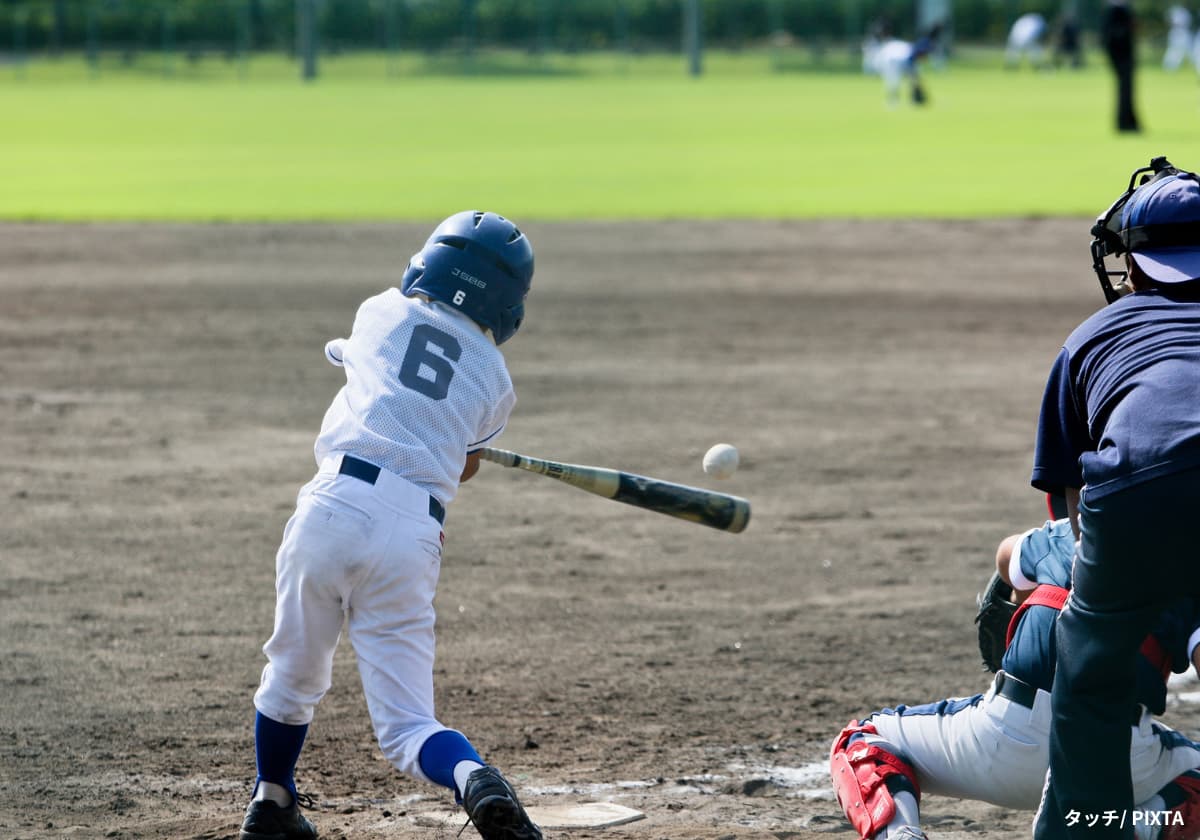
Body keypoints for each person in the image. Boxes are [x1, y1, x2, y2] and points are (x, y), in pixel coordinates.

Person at [238, 211, 544, 840]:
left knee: (292, 674)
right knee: (408, 726)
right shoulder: (496, 378)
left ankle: (271, 803)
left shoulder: (379, 311)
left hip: (332, 507)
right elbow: (464, 468)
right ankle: (472, 778)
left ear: (428, 263)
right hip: (412, 533)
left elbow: (382, 385)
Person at [829, 519, 1200, 840]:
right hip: (1118, 762)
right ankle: (1138, 827)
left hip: (1006, 736)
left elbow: (1006, 556)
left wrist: (1035, 595)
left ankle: (899, 832)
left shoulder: (1063, 534)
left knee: (863, 742)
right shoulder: (1188, 564)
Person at [1031, 157, 1200, 839]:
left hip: (1135, 491)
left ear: (1132, 264)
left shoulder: (1094, 335)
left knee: (1092, 679)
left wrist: (1121, 598)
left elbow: (1071, 501)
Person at [1101, 0, 1140, 132]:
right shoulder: (1116, 11)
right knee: (1124, 91)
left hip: (1123, 55)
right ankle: (1125, 123)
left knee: (1126, 91)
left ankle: (1129, 122)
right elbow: (1113, 35)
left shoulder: (1119, 10)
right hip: (1122, 56)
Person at [1164, 6, 1194, 71]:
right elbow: (1170, 21)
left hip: (1184, 32)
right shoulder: (1174, 11)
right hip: (1176, 32)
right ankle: (1169, 66)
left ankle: (1194, 64)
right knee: (1174, 50)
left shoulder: (1185, 12)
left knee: (1189, 49)